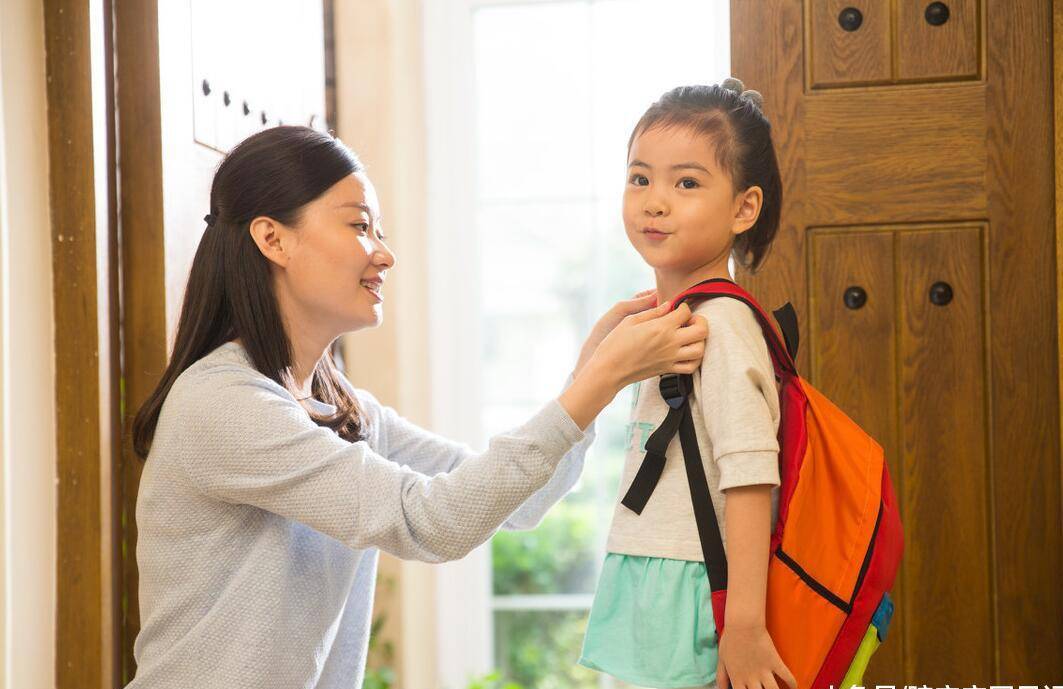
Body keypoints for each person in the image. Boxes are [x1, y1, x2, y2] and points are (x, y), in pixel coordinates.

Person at [124, 125, 708, 689]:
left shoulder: (343, 411)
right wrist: (602, 380)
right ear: (273, 238)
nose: (384, 254)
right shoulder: (223, 404)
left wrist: (589, 373)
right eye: (360, 226)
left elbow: (516, 501)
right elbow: (430, 521)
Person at [578, 79, 798, 689]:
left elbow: (752, 476)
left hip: (700, 591)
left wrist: (745, 626)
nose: (654, 201)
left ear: (743, 208)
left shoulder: (721, 325)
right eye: (640, 177)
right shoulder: (674, 321)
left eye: (687, 183)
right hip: (660, 581)